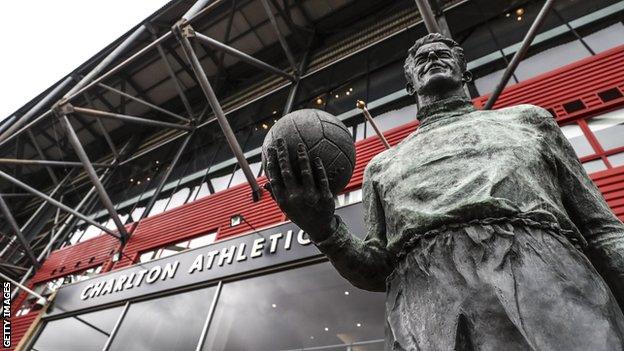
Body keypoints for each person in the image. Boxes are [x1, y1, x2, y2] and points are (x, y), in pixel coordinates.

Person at [264, 33, 624, 350]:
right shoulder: (383, 166)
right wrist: (323, 228)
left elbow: (602, 229)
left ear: (465, 73)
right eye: (421, 59)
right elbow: (376, 269)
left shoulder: (529, 122)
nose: (432, 58)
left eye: (443, 53)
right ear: (411, 86)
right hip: (428, 306)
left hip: (546, 281)